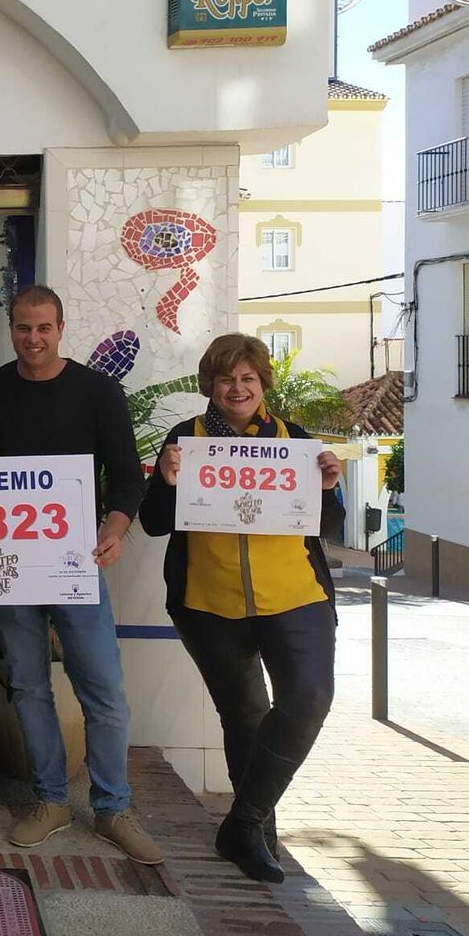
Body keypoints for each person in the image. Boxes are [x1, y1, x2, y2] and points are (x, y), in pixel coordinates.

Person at [139, 333, 343, 884]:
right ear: (211, 384)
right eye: (227, 379)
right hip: (210, 601)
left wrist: (327, 487)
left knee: (310, 696)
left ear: (262, 384)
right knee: (245, 716)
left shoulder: (294, 441)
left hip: (296, 596)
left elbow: (329, 527)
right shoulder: (186, 439)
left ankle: (243, 823)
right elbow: (156, 522)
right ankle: (259, 835)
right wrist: (165, 480)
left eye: (248, 378)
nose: (237, 388)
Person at [0, 285, 163, 865]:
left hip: (77, 563)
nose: (33, 339)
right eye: (23, 328)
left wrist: (113, 526)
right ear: (11, 328)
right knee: (28, 686)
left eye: (44, 328)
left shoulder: (98, 390)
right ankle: (51, 801)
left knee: (103, 688)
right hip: (7, 565)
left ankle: (113, 807)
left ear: (61, 328)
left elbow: (128, 477)